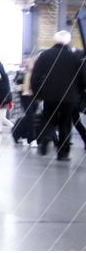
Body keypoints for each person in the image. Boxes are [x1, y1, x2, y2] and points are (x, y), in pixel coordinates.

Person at [31, 31, 86, 161]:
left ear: (55, 41)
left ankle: (46, 136)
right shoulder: (75, 57)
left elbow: (35, 77)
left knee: (49, 119)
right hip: (69, 97)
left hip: (49, 95)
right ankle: (63, 153)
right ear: (68, 41)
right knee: (65, 124)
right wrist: (79, 92)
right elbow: (83, 79)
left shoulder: (44, 55)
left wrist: (38, 93)